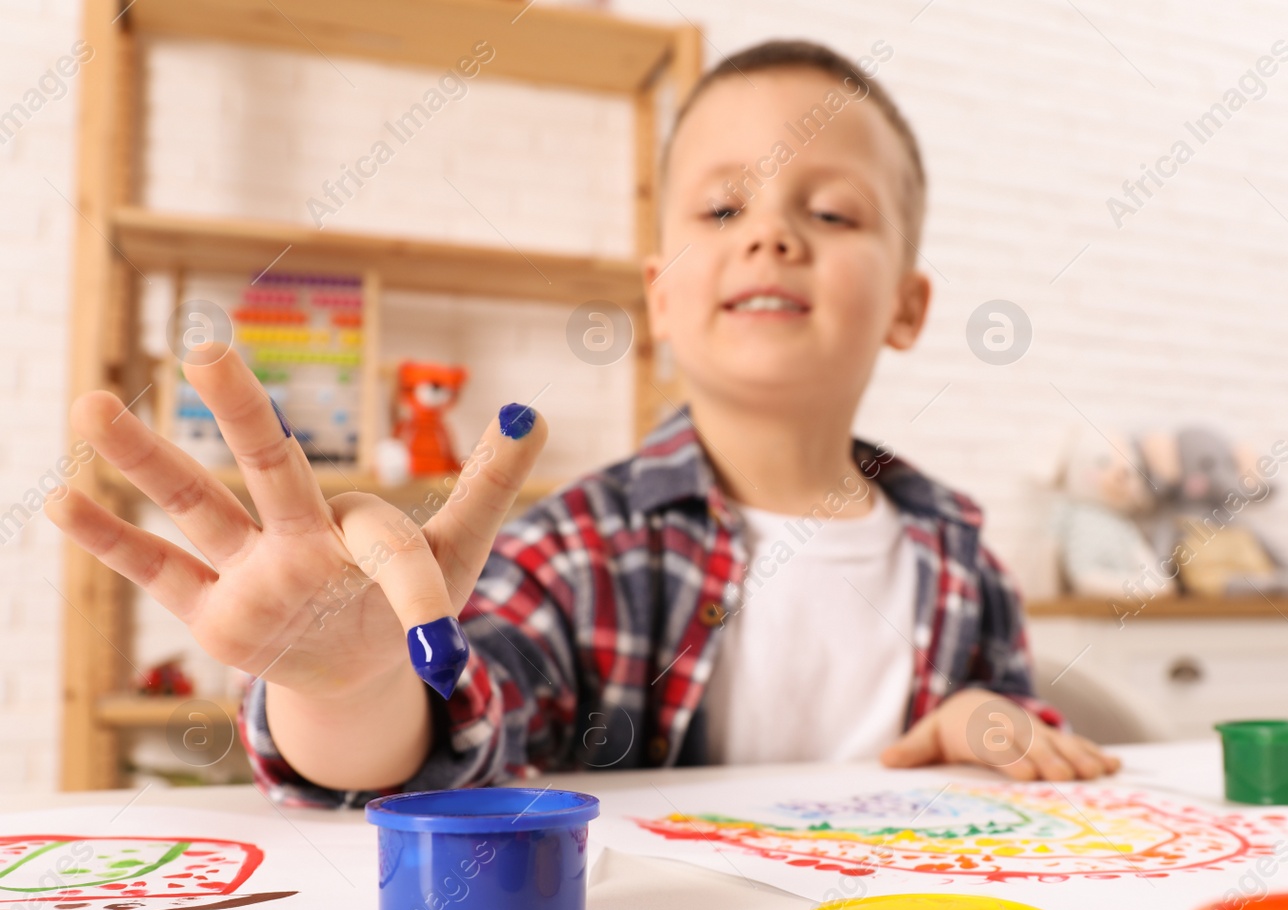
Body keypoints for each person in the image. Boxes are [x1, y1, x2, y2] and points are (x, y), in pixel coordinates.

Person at [46, 40, 1119, 805]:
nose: (773, 237)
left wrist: (992, 730)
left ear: (908, 306)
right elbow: (465, 739)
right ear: (659, 296)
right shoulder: (576, 544)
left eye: (832, 212)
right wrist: (354, 683)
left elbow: (1024, 760)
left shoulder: (962, 548)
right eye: (722, 208)